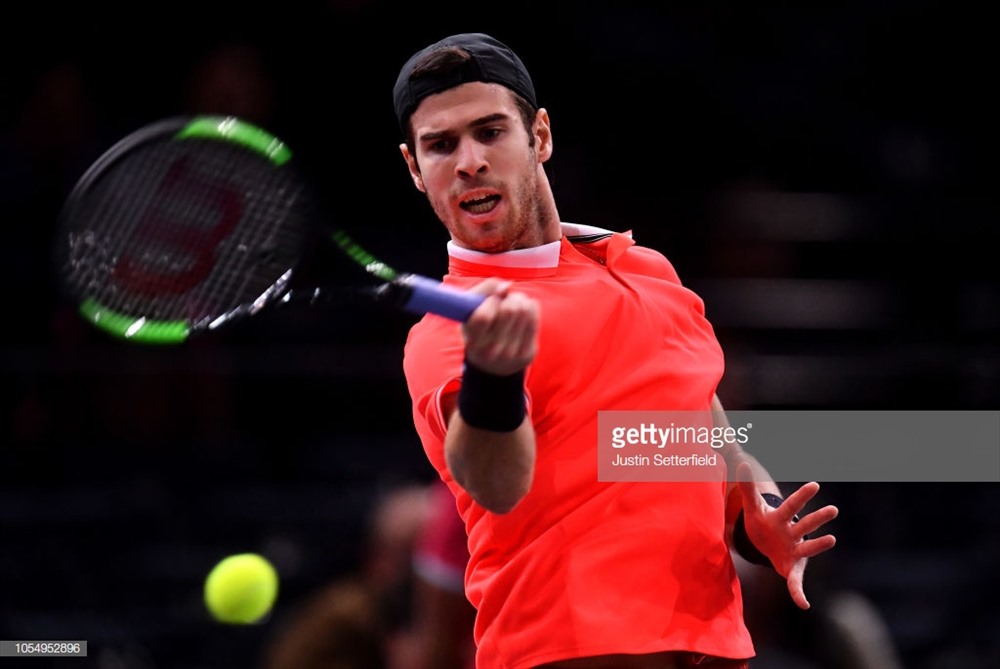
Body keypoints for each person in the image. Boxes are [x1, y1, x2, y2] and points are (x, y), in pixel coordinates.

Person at [392, 33, 839, 669]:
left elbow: (702, 431)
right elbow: (495, 482)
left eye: (490, 132)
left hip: (712, 649)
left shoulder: (646, 269)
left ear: (540, 137)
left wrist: (752, 507)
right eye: (441, 145)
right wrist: (494, 373)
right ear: (415, 169)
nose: (469, 161)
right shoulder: (448, 333)